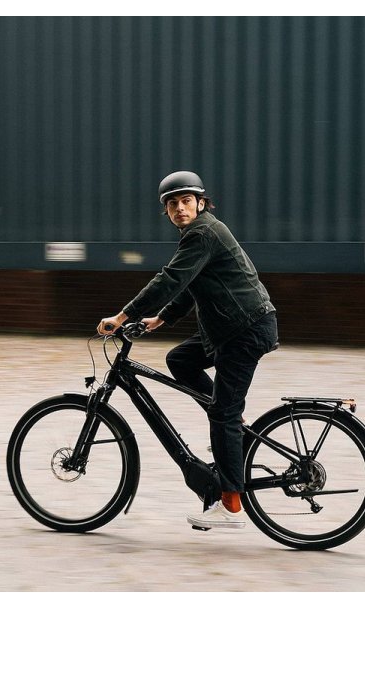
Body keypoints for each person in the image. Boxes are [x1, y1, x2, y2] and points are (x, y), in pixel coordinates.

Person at [98, 170, 278, 531]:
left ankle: (230, 505)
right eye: (172, 204)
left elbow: (170, 280)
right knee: (180, 360)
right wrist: (159, 320)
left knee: (222, 415)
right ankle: (234, 428)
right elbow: (188, 284)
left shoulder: (202, 232)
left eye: (186, 201)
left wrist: (122, 316)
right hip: (230, 328)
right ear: (166, 211)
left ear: (200, 203)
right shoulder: (198, 234)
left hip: (243, 331)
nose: (179, 208)